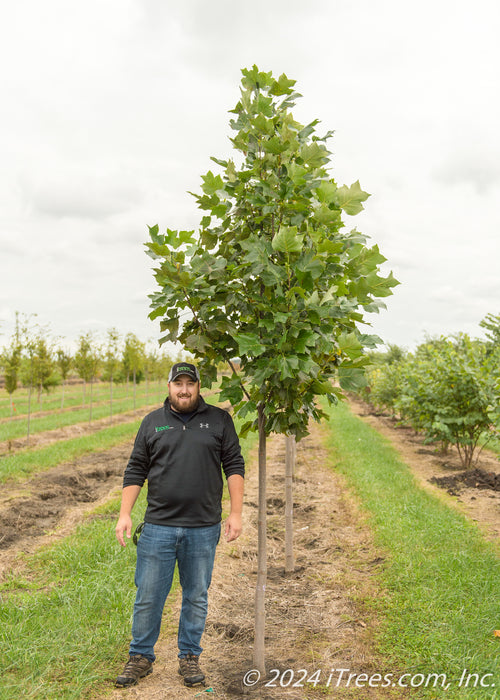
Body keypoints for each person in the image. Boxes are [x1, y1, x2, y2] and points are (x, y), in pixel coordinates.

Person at [114, 362, 245, 688]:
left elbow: (234, 464)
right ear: (169, 386)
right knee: (148, 595)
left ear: (199, 386)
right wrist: (124, 513)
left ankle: (189, 657)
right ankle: (140, 656)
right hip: (158, 526)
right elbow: (136, 469)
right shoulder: (152, 422)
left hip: (203, 527)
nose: (184, 389)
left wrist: (237, 513)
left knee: (196, 595)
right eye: (178, 383)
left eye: (190, 383)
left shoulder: (219, 420)